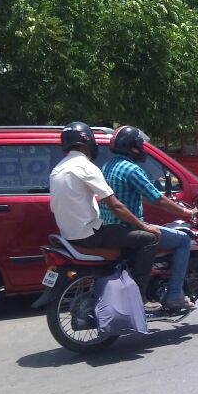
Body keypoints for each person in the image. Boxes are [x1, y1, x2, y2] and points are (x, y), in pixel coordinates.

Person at [49, 121, 162, 311]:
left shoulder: (58, 169)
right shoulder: (85, 166)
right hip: (90, 235)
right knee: (148, 239)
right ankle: (139, 296)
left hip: (69, 234)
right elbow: (116, 205)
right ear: (87, 143)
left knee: (122, 233)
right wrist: (144, 226)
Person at [99, 125, 198, 311]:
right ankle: (175, 294)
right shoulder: (132, 170)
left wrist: (163, 201)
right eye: (140, 144)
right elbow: (158, 200)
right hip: (129, 228)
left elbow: (142, 195)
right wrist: (187, 213)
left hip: (110, 227)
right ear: (133, 146)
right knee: (184, 239)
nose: (142, 148)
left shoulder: (108, 166)